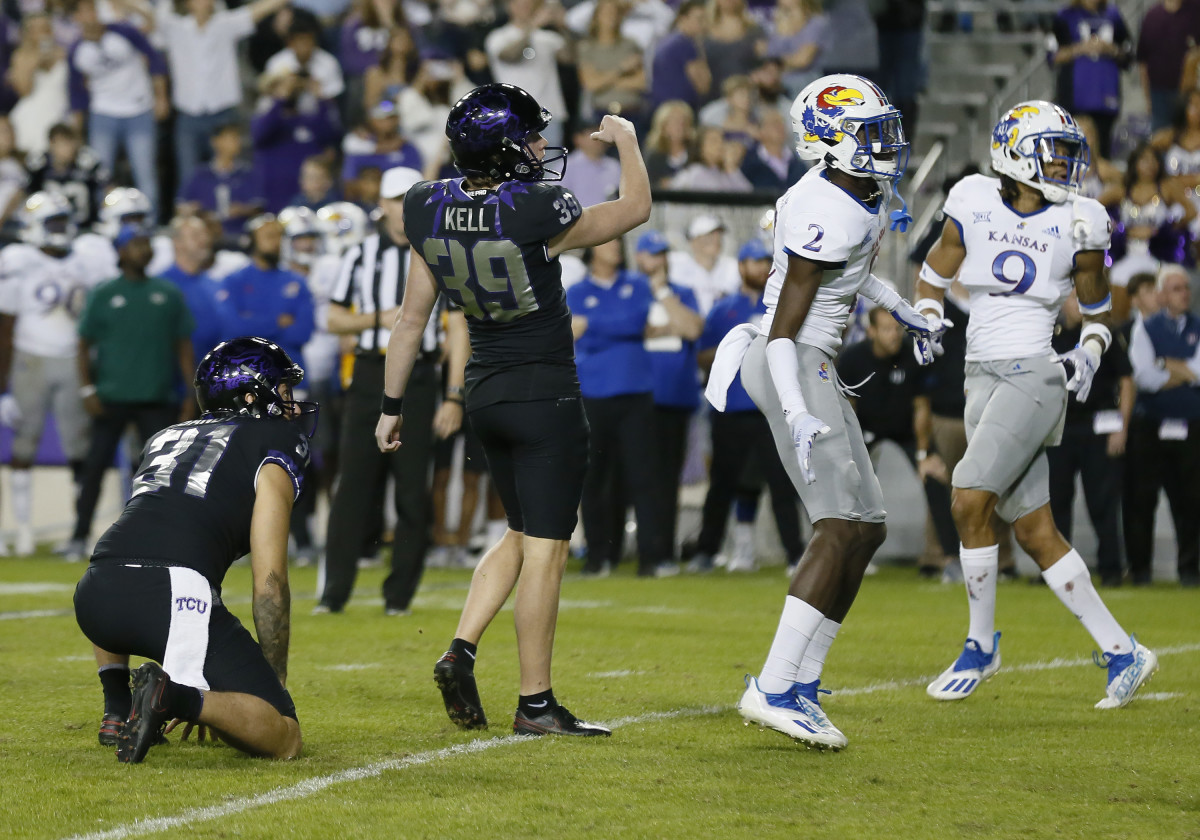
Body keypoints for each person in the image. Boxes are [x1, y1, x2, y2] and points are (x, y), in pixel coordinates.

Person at [376, 83, 651, 736]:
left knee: (521, 534)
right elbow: (635, 208)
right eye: (528, 138)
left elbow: (412, 320)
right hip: (544, 392)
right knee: (548, 551)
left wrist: (390, 407)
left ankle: (462, 647)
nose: (537, 147)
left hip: (485, 392)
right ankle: (535, 702)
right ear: (501, 150)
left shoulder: (425, 205)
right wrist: (631, 143)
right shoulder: (535, 209)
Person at [707, 73, 938, 749]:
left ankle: (802, 684)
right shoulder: (824, 205)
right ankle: (773, 687)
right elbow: (782, 331)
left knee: (866, 530)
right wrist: (799, 410)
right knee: (837, 526)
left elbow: (854, 271)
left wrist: (904, 311)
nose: (883, 144)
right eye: (869, 133)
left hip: (813, 362)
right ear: (829, 139)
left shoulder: (853, 192)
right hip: (792, 360)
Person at [915, 100, 1158, 708]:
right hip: (980, 374)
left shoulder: (1082, 218)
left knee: (969, 497)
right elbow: (934, 274)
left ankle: (979, 644)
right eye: (1055, 152)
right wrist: (925, 316)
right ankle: (1125, 651)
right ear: (1014, 153)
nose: (1067, 166)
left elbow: (1099, 313)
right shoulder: (971, 198)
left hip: (1035, 374)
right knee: (1033, 529)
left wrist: (1090, 352)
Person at [73, 337, 312, 763]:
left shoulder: (166, 435)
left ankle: (117, 706)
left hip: (96, 587)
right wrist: (273, 685)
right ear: (252, 396)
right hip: (169, 591)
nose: (292, 404)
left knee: (132, 550)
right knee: (286, 738)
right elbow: (270, 582)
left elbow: (148, 526)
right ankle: (174, 699)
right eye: (284, 391)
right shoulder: (273, 440)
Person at [316, 167, 469, 613]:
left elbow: (458, 328)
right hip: (368, 374)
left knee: (411, 491)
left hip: (421, 378)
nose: (403, 208)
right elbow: (333, 319)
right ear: (381, 205)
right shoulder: (359, 254)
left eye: (411, 199)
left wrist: (455, 394)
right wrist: (380, 319)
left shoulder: (441, 251)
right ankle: (334, 593)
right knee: (352, 490)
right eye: (396, 199)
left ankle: (398, 596)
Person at [66, 226, 196, 561]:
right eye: (137, 244)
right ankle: (79, 535)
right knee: (94, 466)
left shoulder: (167, 293)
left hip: (157, 395)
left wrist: (190, 394)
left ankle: (160, 538)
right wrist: (87, 388)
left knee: (160, 473)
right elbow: (82, 345)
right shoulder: (105, 293)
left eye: (147, 244)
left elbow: (183, 347)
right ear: (121, 252)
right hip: (111, 396)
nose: (144, 249)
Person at [0, 192, 115, 557]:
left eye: (63, 221)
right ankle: (23, 531)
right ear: (34, 226)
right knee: (23, 445)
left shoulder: (86, 258)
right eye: (52, 222)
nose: (60, 230)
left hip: (71, 359)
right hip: (29, 356)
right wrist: (2, 386)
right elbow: (6, 323)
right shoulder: (18, 259)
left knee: (78, 447)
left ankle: (76, 529)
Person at [692, 237, 805, 574]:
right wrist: (736, 348)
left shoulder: (782, 305)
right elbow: (701, 357)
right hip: (731, 410)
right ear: (741, 266)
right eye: (753, 262)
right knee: (723, 483)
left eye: (763, 261)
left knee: (782, 483)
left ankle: (795, 554)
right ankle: (706, 552)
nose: (760, 268)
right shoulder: (722, 310)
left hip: (771, 408)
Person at [568, 238, 675, 578]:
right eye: (607, 242)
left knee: (643, 478)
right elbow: (571, 330)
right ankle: (598, 557)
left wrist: (593, 325)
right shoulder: (574, 290)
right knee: (594, 479)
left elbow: (633, 323)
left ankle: (650, 558)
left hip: (635, 393)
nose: (614, 247)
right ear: (592, 248)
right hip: (593, 394)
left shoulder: (637, 284)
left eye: (617, 242)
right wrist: (614, 327)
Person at [154, 0, 291, 189]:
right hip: (188, 116)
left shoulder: (226, 24)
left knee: (230, 174)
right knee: (188, 177)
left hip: (222, 115)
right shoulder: (175, 27)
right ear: (187, 3)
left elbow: (257, 10)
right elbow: (144, 12)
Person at [1048, 289, 1133, 587]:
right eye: (1073, 299)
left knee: (1103, 502)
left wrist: (1121, 426)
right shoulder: (1051, 335)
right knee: (1057, 501)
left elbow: (1126, 379)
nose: (1077, 305)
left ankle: (1111, 569)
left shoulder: (1102, 336)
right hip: (1060, 428)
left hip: (1098, 428)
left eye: (1081, 299)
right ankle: (1057, 572)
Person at [1125, 264, 1200, 587]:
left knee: (1192, 500)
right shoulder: (1145, 327)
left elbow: (1198, 373)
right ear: (1161, 294)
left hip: (1191, 424)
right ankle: (1140, 570)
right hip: (1149, 426)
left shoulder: (1198, 325)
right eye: (1176, 288)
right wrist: (1184, 373)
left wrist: (1165, 364)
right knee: (1141, 500)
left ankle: (1189, 570)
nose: (1185, 293)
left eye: (1186, 287)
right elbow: (1143, 376)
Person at [637, 230, 703, 566]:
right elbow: (631, 330)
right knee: (630, 476)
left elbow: (692, 329)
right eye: (652, 253)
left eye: (662, 253)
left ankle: (662, 551)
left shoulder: (682, 292)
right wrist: (669, 326)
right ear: (638, 257)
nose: (658, 260)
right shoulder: (631, 290)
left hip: (674, 398)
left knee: (666, 480)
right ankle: (622, 548)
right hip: (636, 396)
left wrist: (662, 294)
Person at [67, 0, 168, 218]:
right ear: (76, 18)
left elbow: (155, 59)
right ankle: (105, 222)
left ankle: (150, 224)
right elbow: (76, 94)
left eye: (92, 9)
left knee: (145, 173)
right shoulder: (77, 50)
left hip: (138, 110)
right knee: (100, 175)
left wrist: (161, 97)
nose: (90, 15)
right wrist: (77, 130)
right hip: (103, 114)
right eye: (84, 12)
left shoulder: (124, 32)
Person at [221, 214, 316, 374]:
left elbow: (303, 332)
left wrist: (253, 323)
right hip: (245, 377)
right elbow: (233, 328)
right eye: (269, 236)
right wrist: (277, 322)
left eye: (279, 236)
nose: (276, 242)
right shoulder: (234, 281)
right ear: (252, 240)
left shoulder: (297, 282)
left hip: (289, 374)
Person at [1047, 0, 1133, 159]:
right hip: (1073, 99)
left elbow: (1128, 55)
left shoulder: (1113, 15)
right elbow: (1053, 56)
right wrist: (1080, 48)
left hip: (1105, 100)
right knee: (1070, 152)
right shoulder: (1065, 16)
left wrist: (1111, 49)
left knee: (1102, 152)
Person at [484, 0, 573, 148]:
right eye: (520, 5)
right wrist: (533, 26)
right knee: (519, 166)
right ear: (509, 7)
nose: (525, 8)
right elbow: (510, 56)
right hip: (515, 116)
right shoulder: (498, 36)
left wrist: (562, 26)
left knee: (552, 167)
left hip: (548, 113)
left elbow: (570, 58)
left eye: (528, 5)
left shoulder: (547, 37)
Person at [177, 124, 266, 244]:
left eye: (238, 138)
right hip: (205, 237)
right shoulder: (200, 174)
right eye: (231, 138)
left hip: (240, 235)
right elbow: (181, 207)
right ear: (216, 142)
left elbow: (259, 207)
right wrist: (194, 210)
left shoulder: (247, 173)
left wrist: (242, 210)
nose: (237, 142)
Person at [159, 215, 230, 362]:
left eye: (205, 235)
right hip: (176, 377)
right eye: (196, 235)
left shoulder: (215, 284)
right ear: (177, 243)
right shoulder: (162, 286)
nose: (204, 240)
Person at [25, 122, 108, 227]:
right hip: (47, 227)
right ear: (51, 144)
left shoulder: (87, 161)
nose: (68, 149)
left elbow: (108, 187)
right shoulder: (39, 164)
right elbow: (24, 192)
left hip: (84, 226)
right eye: (62, 144)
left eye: (70, 143)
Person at [1138, 0, 1200, 131]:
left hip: (1191, 95)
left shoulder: (1195, 10)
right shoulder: (1152, 16)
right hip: (1159, 94)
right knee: (1160, 139)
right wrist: (1148, 99)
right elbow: (1142, 61)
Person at [648, 0, 710, 112]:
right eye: (699, 19)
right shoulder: (686, 44)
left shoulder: (665, 41)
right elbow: (703, 86)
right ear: (683, 18)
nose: (704, 24)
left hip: (662, 109)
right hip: (681, 110)